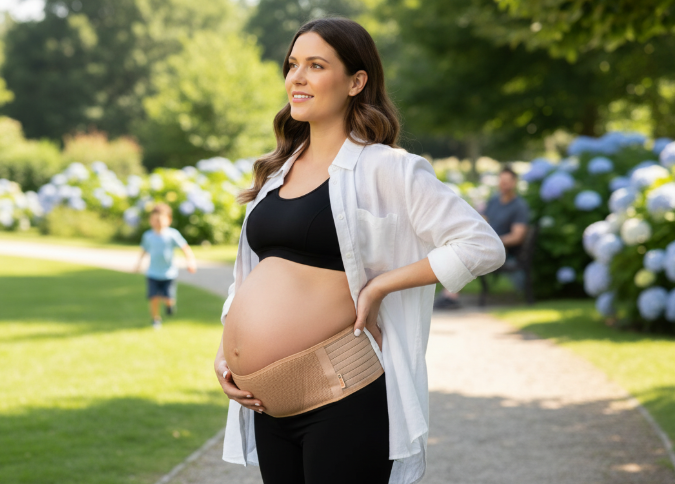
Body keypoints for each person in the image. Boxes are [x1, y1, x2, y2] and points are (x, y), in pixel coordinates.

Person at [214, 17, 505, 484]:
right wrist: (228, 352)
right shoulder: (276, 173)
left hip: (343, 397)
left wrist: (381, 286)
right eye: (292, 65)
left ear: (356, 81)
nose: (297, 77)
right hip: (268, 405)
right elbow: (246, 279)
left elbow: (481, 245)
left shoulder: (386, 169)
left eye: (316, 65)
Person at [433, 165, 528, 309]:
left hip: (505, 251)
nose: (504, 184)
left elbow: (517, 237)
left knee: (469, 253)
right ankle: (450, 294)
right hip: (486, 244)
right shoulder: (494, 201)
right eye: (501, 181)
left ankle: (450, 295)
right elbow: (484, 220)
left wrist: (494, 242)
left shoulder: (519, 206)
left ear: (514, 183)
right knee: (461, 247)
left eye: (507, 181)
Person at [133, 203, 197, 329]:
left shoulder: (172, 235)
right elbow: (144, 251)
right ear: (150, 221)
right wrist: (138, 264)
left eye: (160, 219)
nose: (158, 222)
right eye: (154, 219)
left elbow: (185, 248)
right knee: (154, 298)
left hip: (169, 274)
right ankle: (155, 319)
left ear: (168, 220)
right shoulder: (148, 236)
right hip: (153, 273)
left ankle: (169, 305)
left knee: (168, 298)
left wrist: (190, 261)